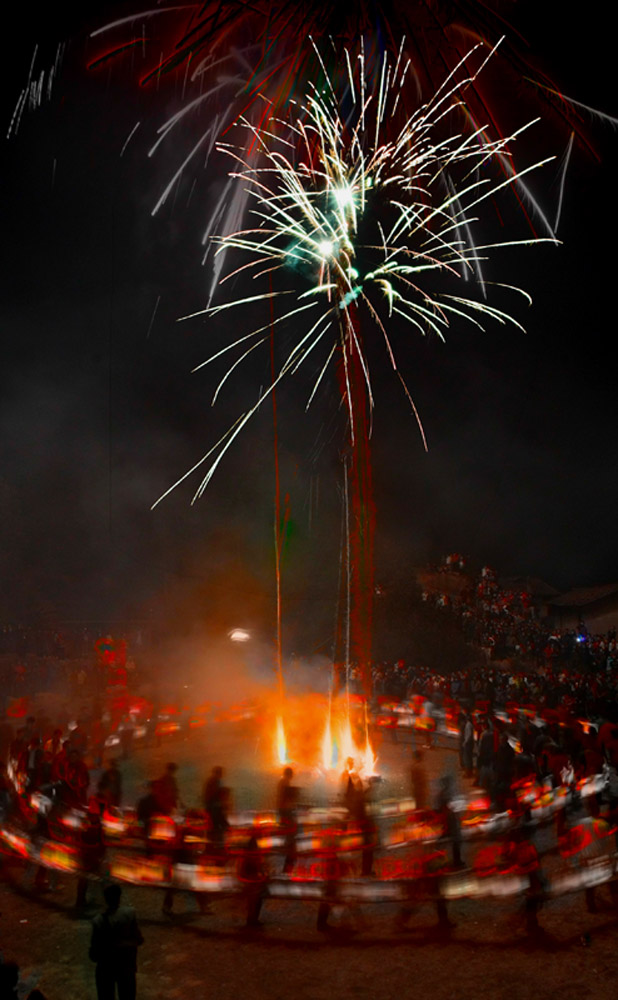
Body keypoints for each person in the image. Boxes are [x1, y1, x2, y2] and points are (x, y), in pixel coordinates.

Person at [89, 883, 144, 1000]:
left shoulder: (98, 921)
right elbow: (139, 940)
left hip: (105, 969)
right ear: (119, 896)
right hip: (126, 966)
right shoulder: (129, 914)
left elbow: (93, 955)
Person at [276, 766, 299, 873]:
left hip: (283, 809)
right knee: (290, 828)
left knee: (288, 828)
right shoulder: (284, 781)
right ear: (289, 774)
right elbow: (285, 796)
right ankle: (289, 847)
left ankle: (288, 844)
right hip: (285, 809)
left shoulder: (282, 781)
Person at [203, 766, 230, 852]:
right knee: (220, 826)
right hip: (215, 808)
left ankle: (214, 846)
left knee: (214, 827)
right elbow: (215, 795)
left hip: (212, 808)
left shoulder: (212, 781)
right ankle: (218, 846)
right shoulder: (215, 781)